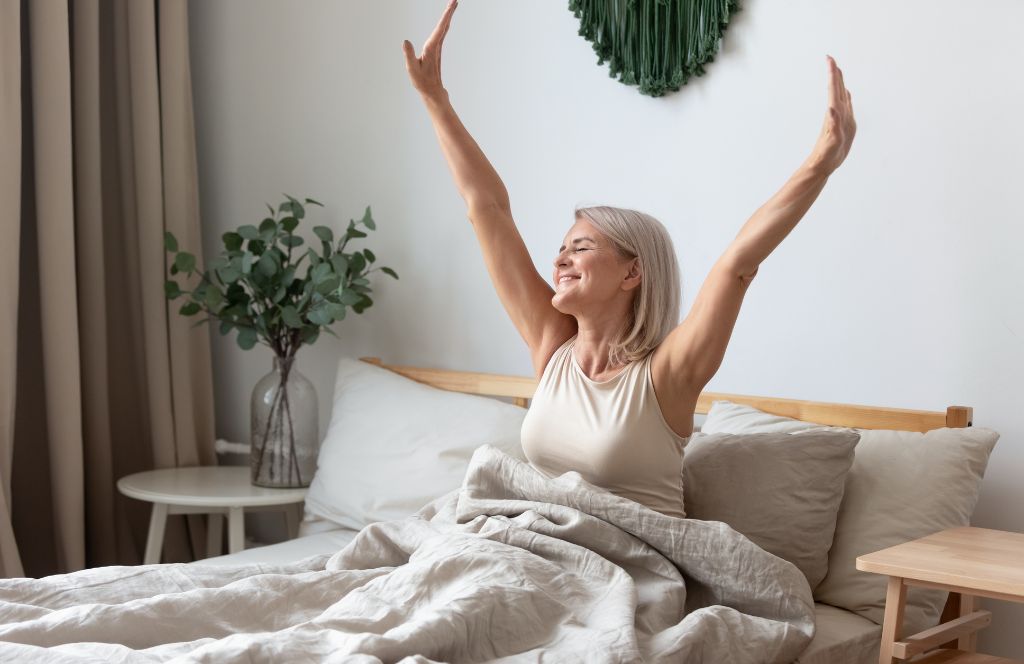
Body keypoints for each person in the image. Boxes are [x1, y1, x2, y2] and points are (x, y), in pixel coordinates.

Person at [402, 0, 856, 518]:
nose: (561, 260)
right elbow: (488, 209)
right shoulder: (553, 350)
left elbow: (737, 264)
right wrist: (435, 100)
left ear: (632, 272)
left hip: (630, 562)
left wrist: (821, 164)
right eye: (562, 248)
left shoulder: (668, 375)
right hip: (536, 544)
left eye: (582, 247)